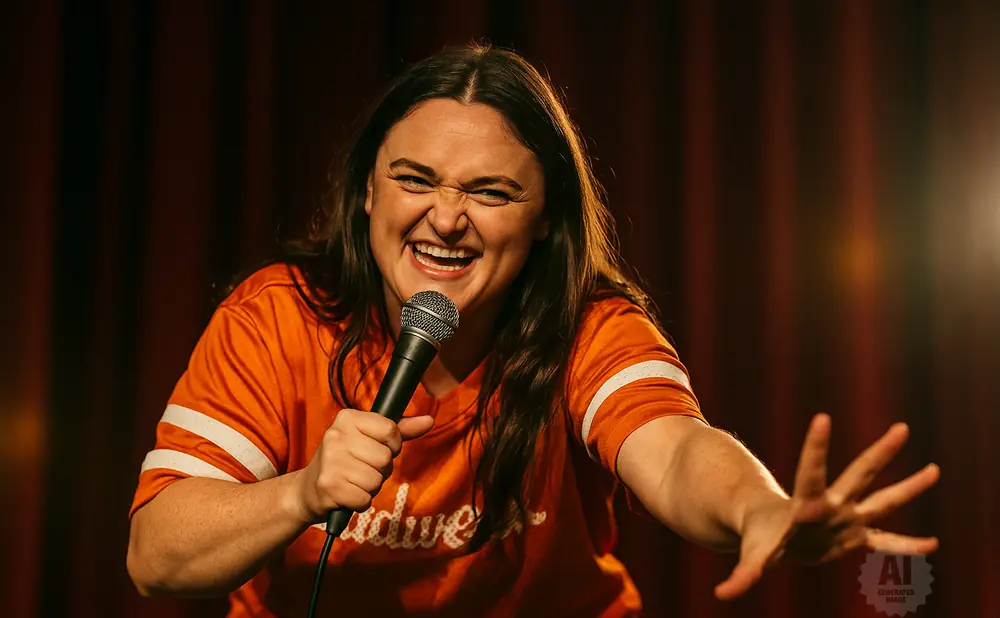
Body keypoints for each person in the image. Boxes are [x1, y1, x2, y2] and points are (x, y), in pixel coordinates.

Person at [126, 44, 939, 617]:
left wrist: (756, 511)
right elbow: (155, 558)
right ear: (366, 193)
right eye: (415, 180)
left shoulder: (585, 326)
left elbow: (674, 448)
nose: (444, 218)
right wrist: (299, 493)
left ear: (546, 219)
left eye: (491, 192)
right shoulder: (280, 313)